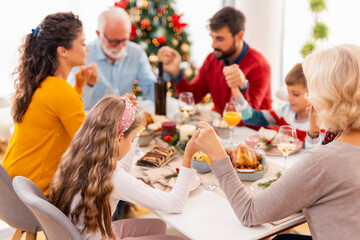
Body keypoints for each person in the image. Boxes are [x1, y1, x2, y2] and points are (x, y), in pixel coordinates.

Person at [192, 44, 360, 239]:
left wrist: (217, 155)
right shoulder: (335, 145)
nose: (309, 97)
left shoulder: (322, 161)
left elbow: (249, 213)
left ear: (327, 97)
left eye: (311, 89)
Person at [49, 96, 197, 240]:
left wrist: (125, 115)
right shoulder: (114, 177)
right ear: (119, 138)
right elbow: (175, 204)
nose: (132, 143)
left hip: (87, 233)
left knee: (158, 225)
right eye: (132, 139)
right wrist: (188, 156)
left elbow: (123, 162)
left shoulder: (79, 155)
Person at [2, 12, 95, 195]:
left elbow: (53, 119)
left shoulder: (40, 83)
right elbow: (91, 145)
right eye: (82, 43)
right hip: (36, 198)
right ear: (63, 50)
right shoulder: (62, 91)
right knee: (107, 182)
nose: (87, 49)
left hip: (11, 190)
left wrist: (78, 87)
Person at [158, 6, 272, 115]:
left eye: (220, 39)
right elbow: (194, 96)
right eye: (212, 37)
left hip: (254, 132)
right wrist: (176, 73)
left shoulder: (259, 65)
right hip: (224, 128)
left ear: (239, 36)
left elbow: (250, 117)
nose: (213, 45)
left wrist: (242, 86)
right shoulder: (212, 59)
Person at [68, 7, 156, 110]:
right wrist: (88, 85)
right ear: (98, 34)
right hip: (91, 122)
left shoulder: (136, 53)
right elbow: (73, 104)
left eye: (124, 40)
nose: (119, 47)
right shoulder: (82, 55)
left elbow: (152, 91)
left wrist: (167, 75)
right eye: (113, 41)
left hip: (124, 122)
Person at [232, 63, 309, 141]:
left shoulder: (318, 123)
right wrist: (235, 90)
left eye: (296, 94)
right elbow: (250, 118)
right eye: (288, 93)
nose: (289, 98)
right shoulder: (285, 110)